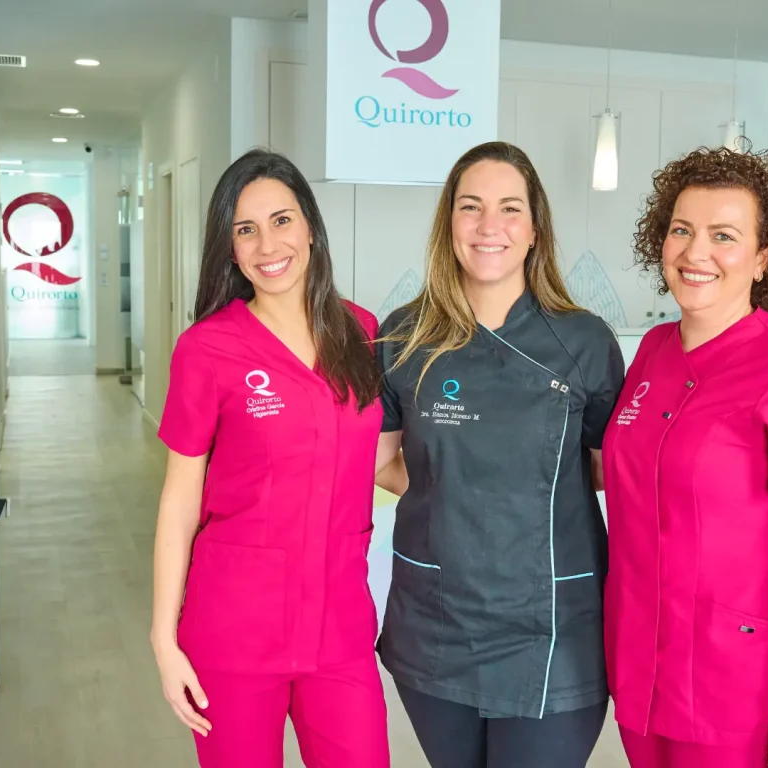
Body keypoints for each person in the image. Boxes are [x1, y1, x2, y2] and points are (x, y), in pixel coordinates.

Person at [601, 146, 768, 768]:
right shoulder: (653, 352)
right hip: (639, 663)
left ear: (765, 257)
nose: (695, 253)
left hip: (737, 681)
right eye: (682, 230)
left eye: (724, 236)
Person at [373, 140, 626, 768]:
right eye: (471, 207)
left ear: (535, 229)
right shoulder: (403, 336)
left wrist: (523, 488)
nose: (490, 226)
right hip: (437, 620)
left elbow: (602, 465)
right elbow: (380, 460)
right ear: (448, 223)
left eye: (510, 208)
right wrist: (458, 491)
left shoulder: (583, 341)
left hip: (554, 625)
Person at [150, 148, 393, 768]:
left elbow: (379, 459)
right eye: (246, 229)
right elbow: (179, 501)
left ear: (310, 226)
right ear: (229, 248)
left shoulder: (363, 332)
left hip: (338, 626)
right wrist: (163, 637)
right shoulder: (206, 350)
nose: (268, 245)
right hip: (233, 628)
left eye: (282, 220)